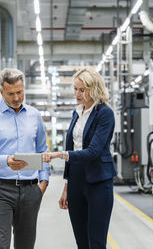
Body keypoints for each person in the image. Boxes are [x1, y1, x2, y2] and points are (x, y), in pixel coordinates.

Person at [0, 68, 50, 249]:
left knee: (26, 245)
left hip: (31, 190)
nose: (16, 98)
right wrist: (6, 160)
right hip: (0, 191)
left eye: (20, 92)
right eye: (11, 94)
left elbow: (43, 150)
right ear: (1, 92)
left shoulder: (34, 116)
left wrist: (43, 182)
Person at [43, 68, 116, 249]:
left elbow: (93, 152)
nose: (77, 94)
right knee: (81, 242)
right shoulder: (76, 113)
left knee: (96, 243)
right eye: (75, 89)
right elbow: (73, 147)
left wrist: (59, 155)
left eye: (82, 90)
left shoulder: (105, 114)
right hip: (76, 179)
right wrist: (67, 186)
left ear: (95, 89)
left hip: (98, 180)